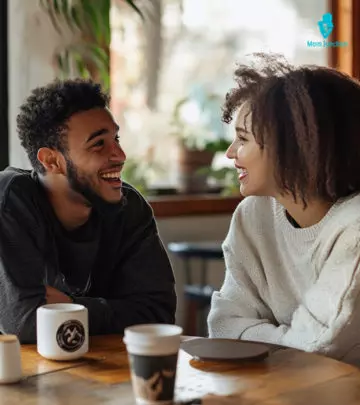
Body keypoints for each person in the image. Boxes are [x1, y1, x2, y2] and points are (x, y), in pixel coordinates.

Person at [207, 53, 360, 365]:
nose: (230, 153)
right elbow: (223, 326)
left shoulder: (354, 227)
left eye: (242, 139)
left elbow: (316, 348)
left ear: (295, 145)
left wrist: (255, 337)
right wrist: (286, 339)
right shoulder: (254, 215)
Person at [0, 79, 176, 343]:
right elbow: (22, 323)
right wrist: (111, 310)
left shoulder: (130, 208)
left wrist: (70, 305)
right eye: (98, 144)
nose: (119, 154)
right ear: (52, 160)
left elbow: (159, 316)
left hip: (99, 371)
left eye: (115, 139)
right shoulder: (12, 200)